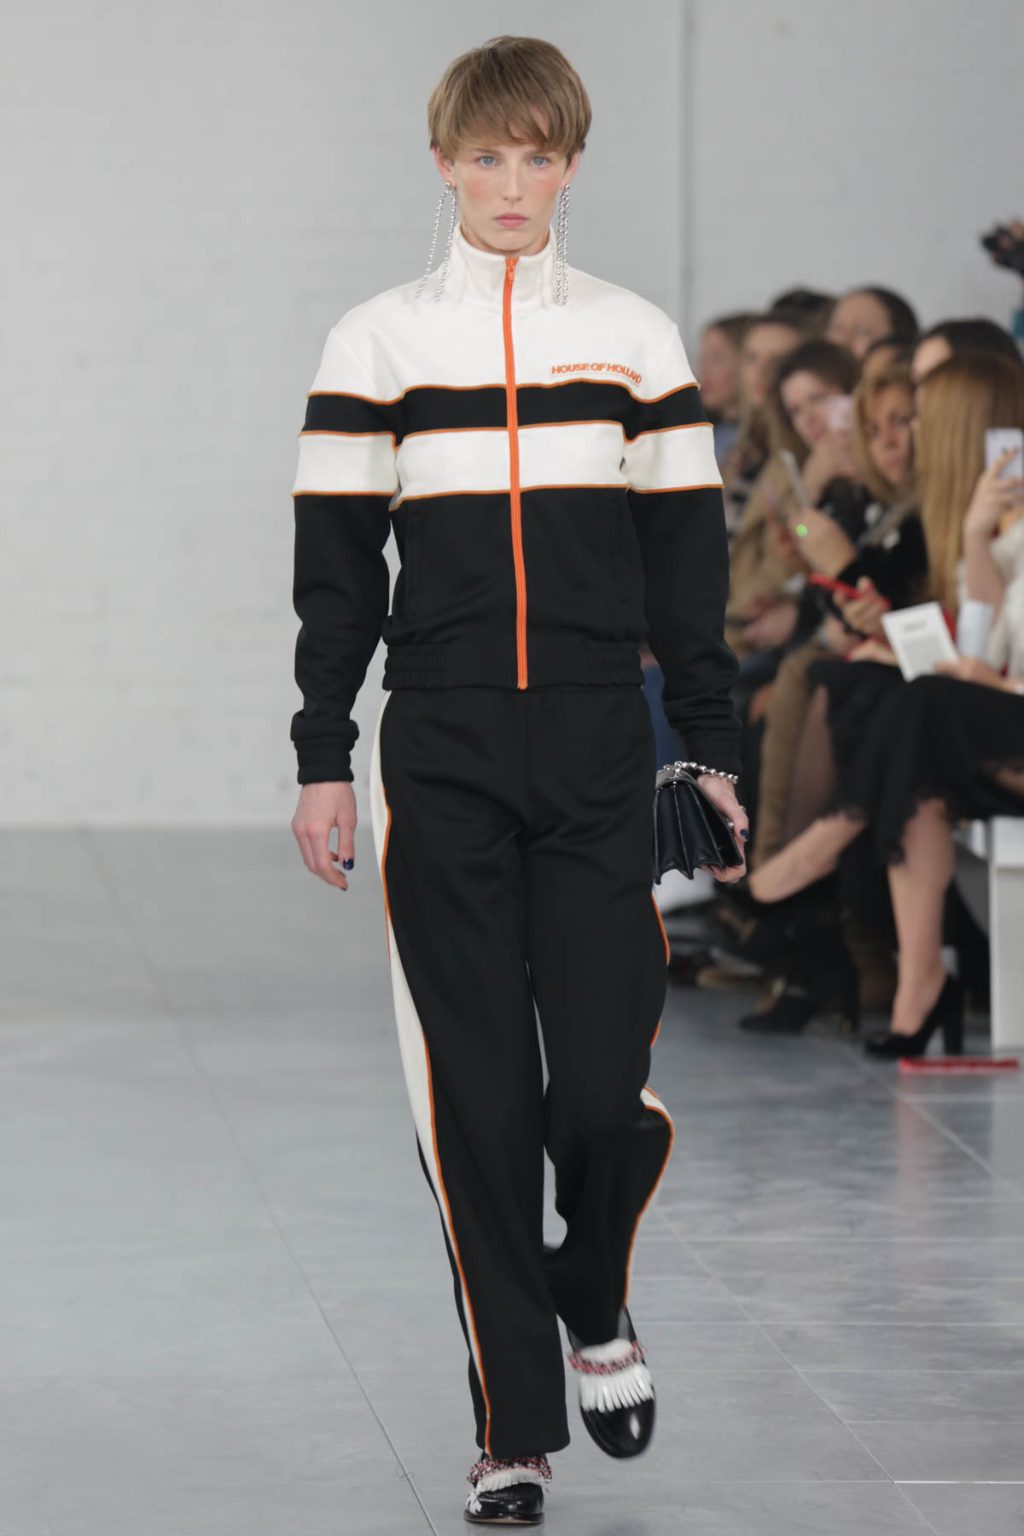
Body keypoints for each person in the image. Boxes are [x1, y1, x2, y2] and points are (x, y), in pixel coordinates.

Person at [286, 35, 746, 1527]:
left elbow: (691, 569)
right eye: (484, 156)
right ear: (444, 164)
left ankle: (591, 1290)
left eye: (535, 156)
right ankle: (514, 1430)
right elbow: (337, 576)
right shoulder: (377, 343)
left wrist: (710, 748)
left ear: (569, 167)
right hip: (443, 749)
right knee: (476, 1103)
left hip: (601, 748)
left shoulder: (632, 339)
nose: (508, 182)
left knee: (604, 1095)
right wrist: (321, 755)